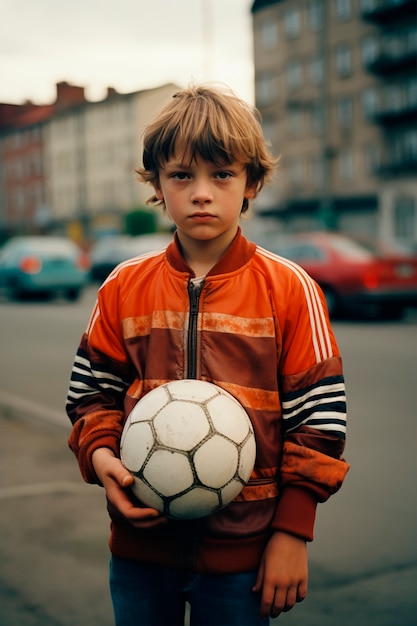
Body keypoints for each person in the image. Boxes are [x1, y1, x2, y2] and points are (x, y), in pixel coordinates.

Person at [66, 84, 349, 626]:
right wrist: (103, 462)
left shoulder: (291, 288)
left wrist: (292, 532)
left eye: (221, 175)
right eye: (181, 175)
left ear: (252, 183)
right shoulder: (124, 286)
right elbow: (90, 397)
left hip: (245, 559)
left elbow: (321, 421)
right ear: (156, 185)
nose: (201, 193)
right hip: (139, 551)